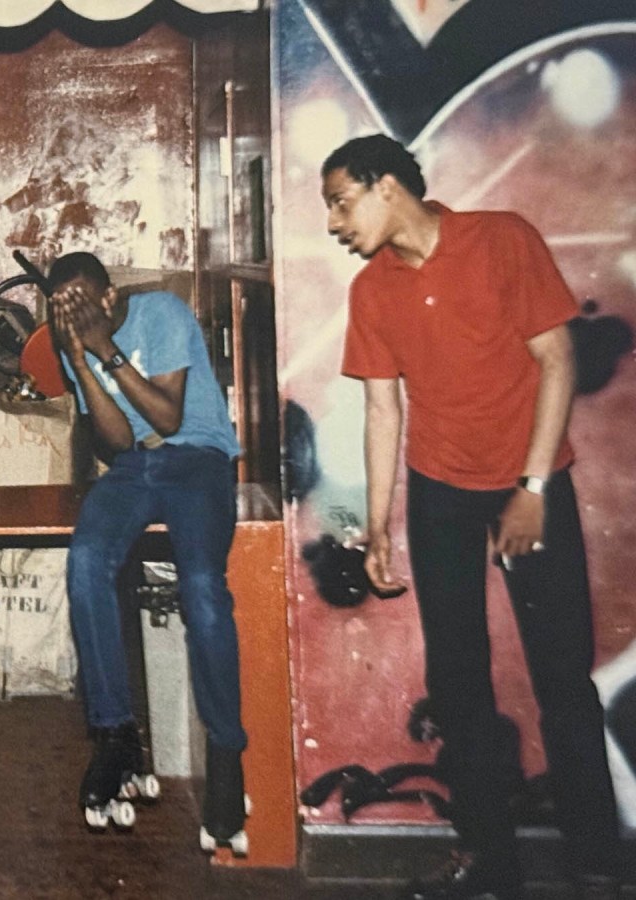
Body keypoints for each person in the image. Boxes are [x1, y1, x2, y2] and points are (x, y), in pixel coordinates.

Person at [325, 134, 623, 900]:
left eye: (340, 200)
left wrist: (532, 489)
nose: (334, 221)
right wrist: (378, 525)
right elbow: (383, 410)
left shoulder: (502, 239)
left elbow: (555, 358)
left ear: (385, 185)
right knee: (459, 680)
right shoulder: (372, 292)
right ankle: (491, 857)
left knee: (561, 673)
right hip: (441, 491)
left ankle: (598, 854)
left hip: (532, 481)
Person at [47, 252, 247, 852]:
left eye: (83, 300)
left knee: (204, 589)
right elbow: (116, 442)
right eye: (61, 308)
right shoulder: (71, 343)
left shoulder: (161, 312)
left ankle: (228, 750)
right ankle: (115, 733)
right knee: (86, 563)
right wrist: (81, 363)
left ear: (109, 296)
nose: (75, 314)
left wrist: (106, 349)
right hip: (136, 468)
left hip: (198, 460)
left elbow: (168, 413)